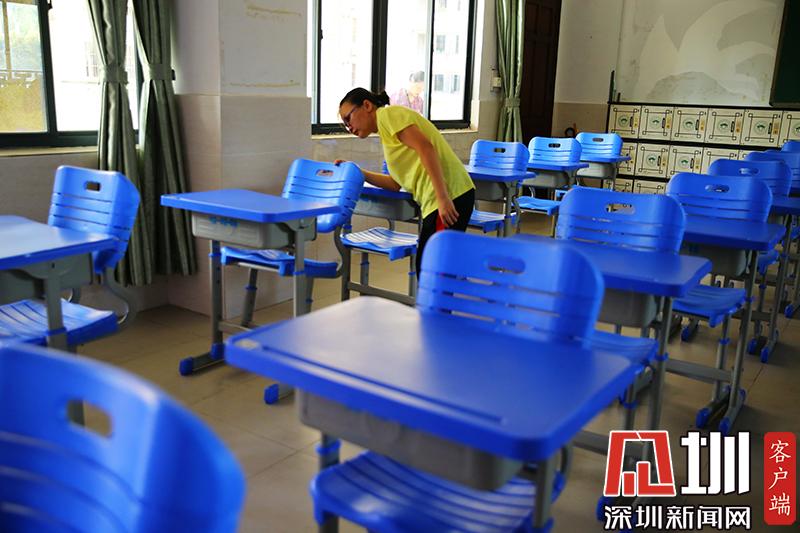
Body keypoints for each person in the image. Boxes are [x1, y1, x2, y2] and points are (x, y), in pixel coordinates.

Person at [336, 87, 475, 276]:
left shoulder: (389, 115)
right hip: (440, 199)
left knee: (433, 272)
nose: (349, 127)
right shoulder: (386, 132)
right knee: (432, 270)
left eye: (348, 119)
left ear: (367, 106)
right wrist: (359, 172)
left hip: (450, 196)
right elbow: (394, 184)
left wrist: (443, 197)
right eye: (345, 125)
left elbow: (426, 148)